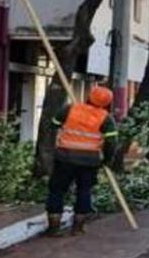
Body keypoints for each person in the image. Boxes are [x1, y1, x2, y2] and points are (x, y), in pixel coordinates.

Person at [45, 85, 119, 236]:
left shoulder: (71, 109)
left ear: (89, 96)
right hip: (89, 161)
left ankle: (54, 226)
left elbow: (54, 124)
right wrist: (107, 160)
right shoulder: (106, 118)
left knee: (57, 190)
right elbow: (112, 141)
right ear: (106, 103)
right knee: (84, 191)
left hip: (65, 157)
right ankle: (78, 228)